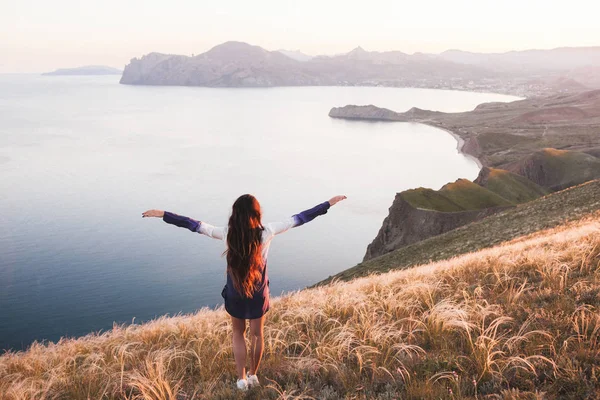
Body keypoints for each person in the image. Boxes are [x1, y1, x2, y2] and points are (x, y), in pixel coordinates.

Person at [142, 194, 347, 390]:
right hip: (258, 294)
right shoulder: (267, 231)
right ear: (256, 213)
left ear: (235, 214)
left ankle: (241, 380)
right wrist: (328, 204)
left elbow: (193, 225)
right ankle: (253, 375)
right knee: (257, 334)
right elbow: (301, 218)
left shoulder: (226, 233)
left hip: (235, 293)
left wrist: (163, 214)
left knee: (238, 333)